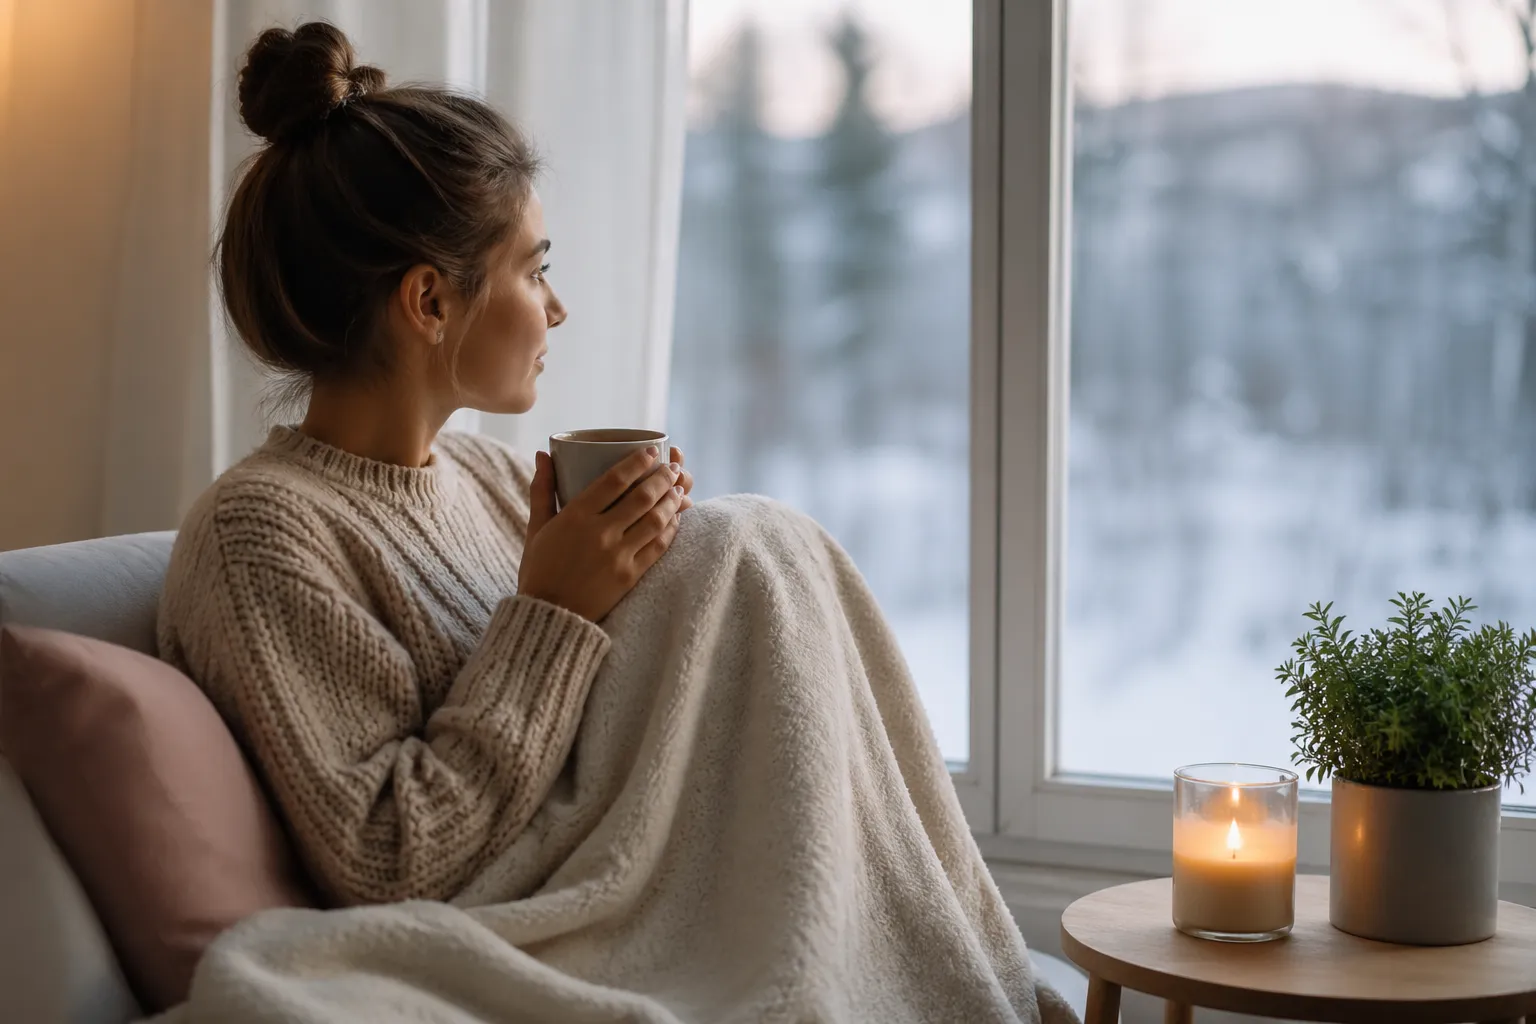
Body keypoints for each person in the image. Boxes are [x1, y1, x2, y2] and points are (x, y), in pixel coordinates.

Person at [158, 21, 1072, 1024]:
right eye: (533, 269)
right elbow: (386, 858)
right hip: (521, 920)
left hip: (606, 868)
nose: (556, 310)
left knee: (749, 546)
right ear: (429, 301)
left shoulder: (488, 477)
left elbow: (625, 731)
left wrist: (657, 589)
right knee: (743, 539)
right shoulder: (260, 535)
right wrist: (555, 609)